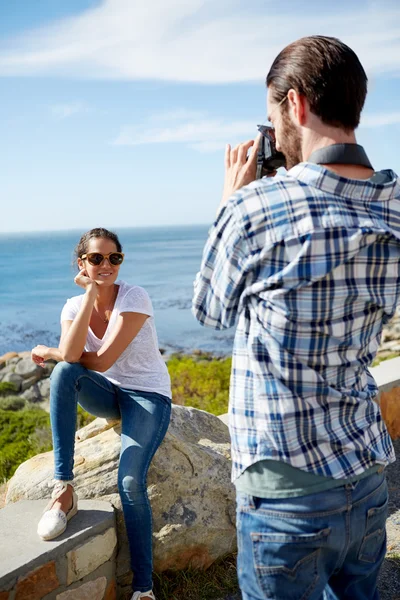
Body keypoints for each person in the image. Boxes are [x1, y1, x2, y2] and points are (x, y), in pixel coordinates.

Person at [192, 35, 400, 600]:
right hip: (365, 473)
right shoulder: (395, 206)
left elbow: (210, 310)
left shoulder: (254, 208)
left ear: (296, 104)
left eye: (271, 115)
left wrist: (230, 202)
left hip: (284, 494)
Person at [31, 227, 171, 600]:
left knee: (129, 483)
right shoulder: (73, 306)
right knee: (64, 373)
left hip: (147, 396)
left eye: (114, 258)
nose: (106, 265)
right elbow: (75, 360)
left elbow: (104, 358)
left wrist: (51, 348)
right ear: (82, 264)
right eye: (96, 259)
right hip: (107, 393)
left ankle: (143, 589)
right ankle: (64, 489)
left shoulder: (134, 297)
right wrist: (89, 294)